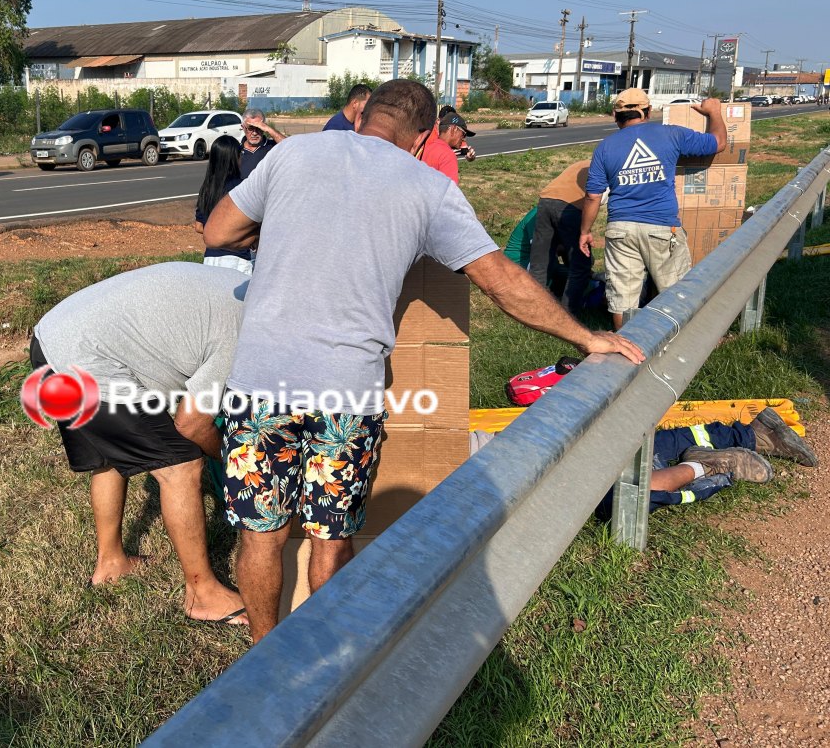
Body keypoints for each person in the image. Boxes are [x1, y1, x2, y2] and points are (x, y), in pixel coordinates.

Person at [203, 78, 645, 643]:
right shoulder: (427, 186)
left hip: (260, 381)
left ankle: (263, 658)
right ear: (423, 137)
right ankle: (321, 659)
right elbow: (503, 281)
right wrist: (586, 338)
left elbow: (220, 230)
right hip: (345, 391)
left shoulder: (293, 153)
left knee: (260, 537)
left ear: (362, 114)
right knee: (329, 537)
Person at [30, 262, 251, 625]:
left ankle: (111, 562)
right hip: (88, 357)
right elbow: (192, 422)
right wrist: (233, 463)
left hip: (52, 338)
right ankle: (203, 593)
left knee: (110, 458)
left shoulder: (242, 291)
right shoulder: (243, 331)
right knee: (181, 465)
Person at [470, 407, 816, 517]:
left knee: (619, 494)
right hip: (498, 457)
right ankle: (739, 444)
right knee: (625, 463)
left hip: (497, 471)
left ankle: (714, 462)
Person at [579, 90, 727, 329]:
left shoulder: (604, 148)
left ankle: (627, 352)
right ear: (648, 112)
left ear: (615, 115)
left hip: (620, 230)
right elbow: (718, 143)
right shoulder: (671, 134)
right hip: (661, 227)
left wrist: (585, 231)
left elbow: (593, 195)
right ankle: (675, 347)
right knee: (676, 293)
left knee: (623, 300)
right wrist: (714, 112)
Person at [529, 160, 595, 315]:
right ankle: (568, 314)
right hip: (571, 206)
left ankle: (534, 312)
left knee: (541, 262)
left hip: (545, 201)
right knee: (580, 266)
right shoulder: (607, 165)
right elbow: (595, 199)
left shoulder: (583, 163)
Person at [194, 136, 253, 275]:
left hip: (210, 259)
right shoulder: (242, 187)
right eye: (240, 155)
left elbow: (199, 226)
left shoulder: (207, 189)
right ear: (234, 158)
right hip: (237, 260)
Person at [413, 111, 475, 184]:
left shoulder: (426, 147)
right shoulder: (448, 155)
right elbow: (451, 192)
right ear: (453, 129)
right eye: (463, 134)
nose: (464, 139)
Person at [237, 108, 285, 179]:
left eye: (258, 128)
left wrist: (269, 129)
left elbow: (290, 146)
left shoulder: (272, 146)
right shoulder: (237, 150)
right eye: (250, 128)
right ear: (243, 128)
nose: (254, 133)